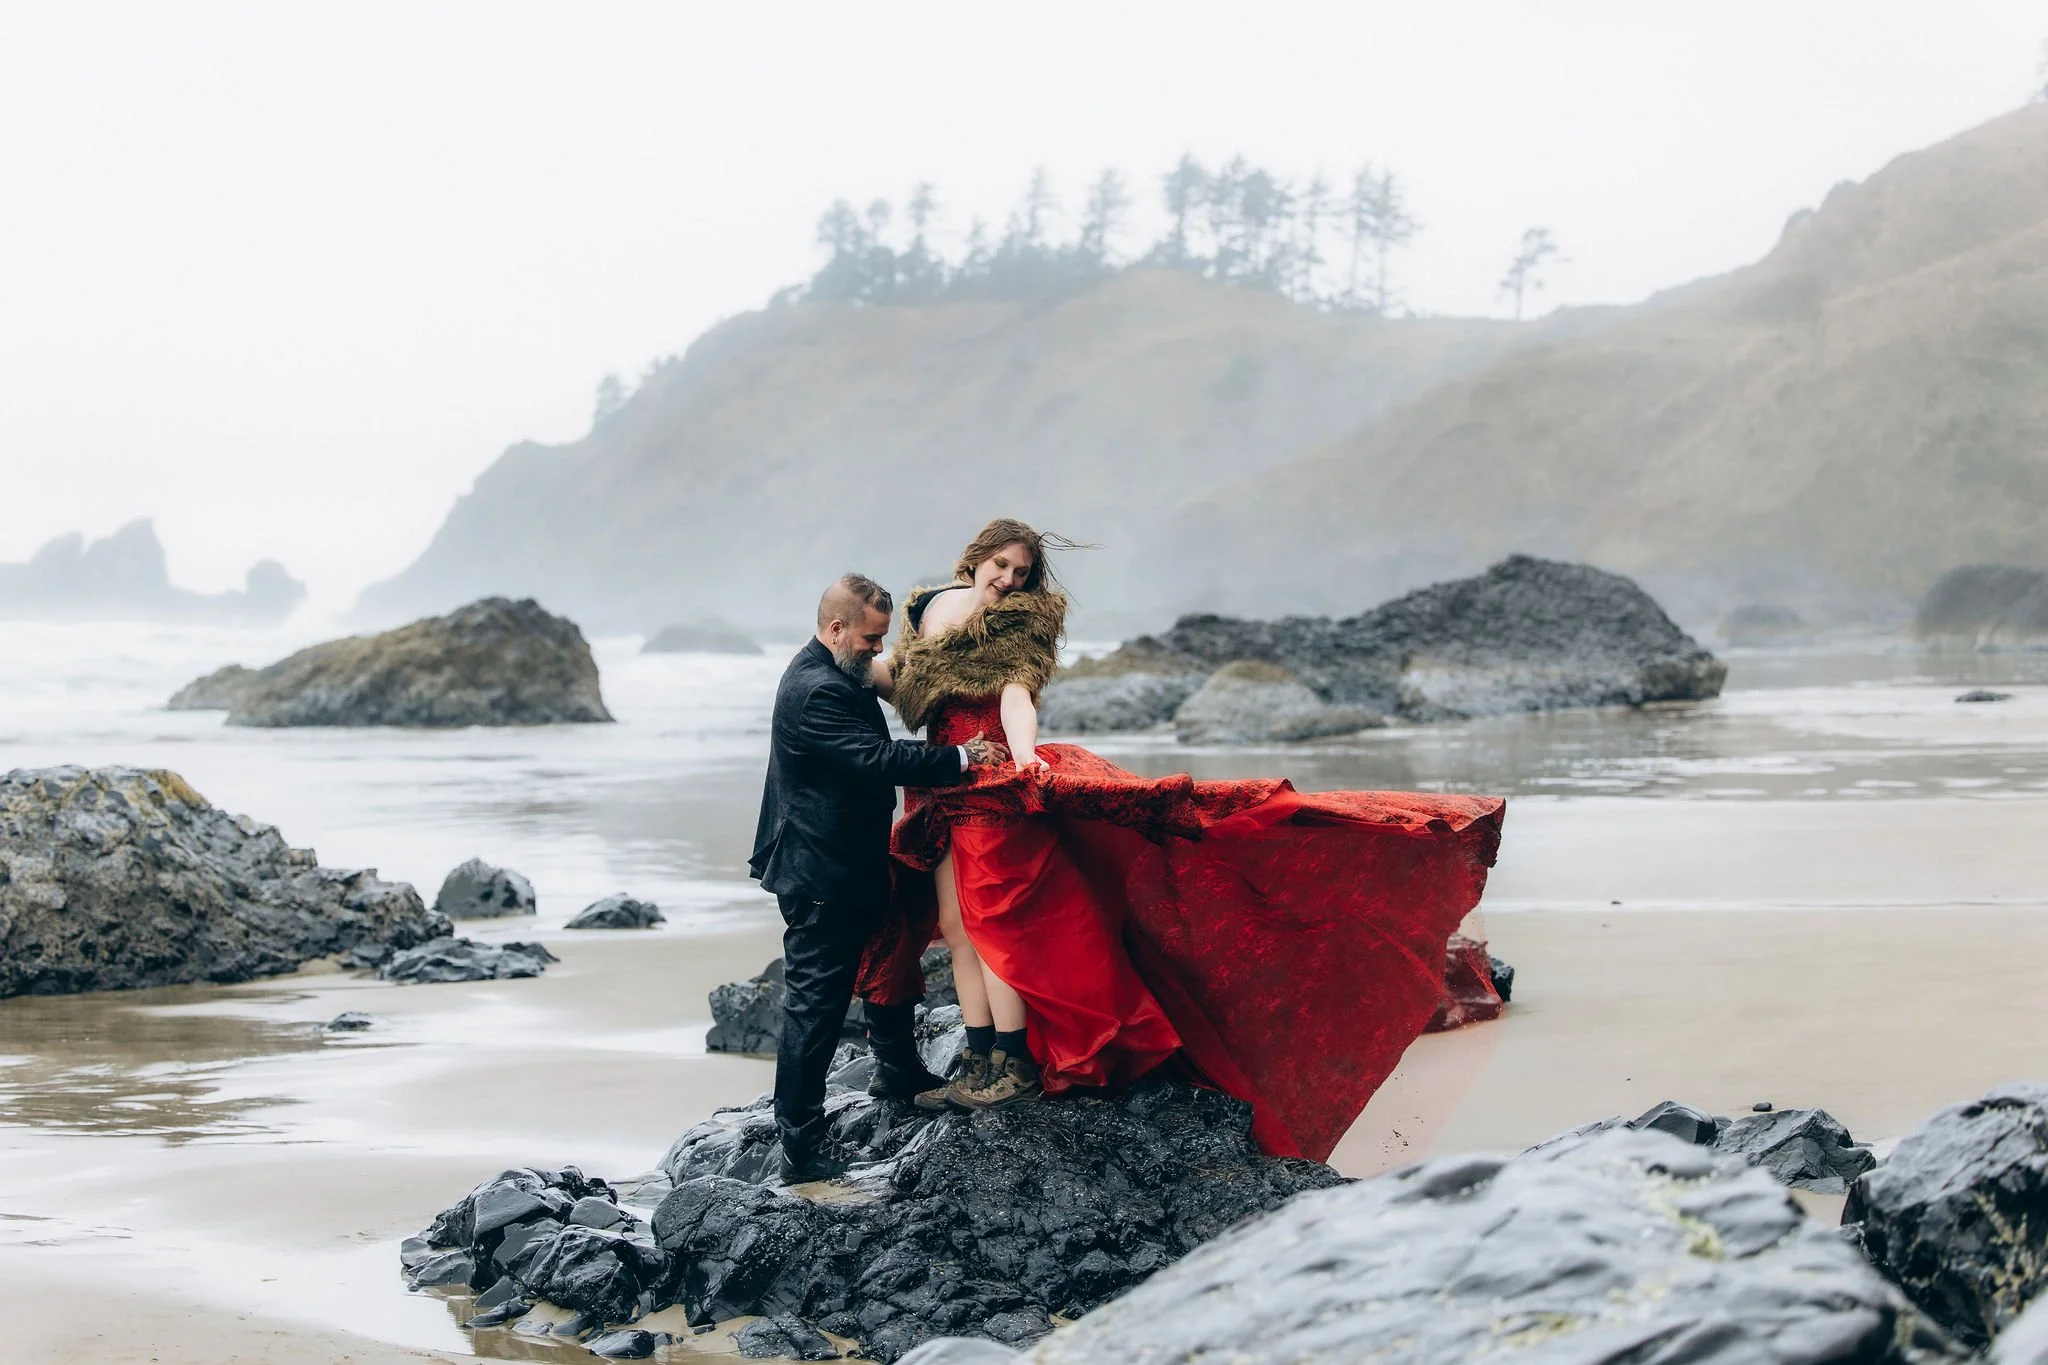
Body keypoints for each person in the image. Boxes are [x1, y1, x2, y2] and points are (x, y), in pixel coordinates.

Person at [857, 520, 1507, 1161]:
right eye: (1001, 565)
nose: (1008, 579)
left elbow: (1018, 699)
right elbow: (904, 680)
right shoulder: (929, 605)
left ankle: (1011, 1065)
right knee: (956, 924)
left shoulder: (1021, 623)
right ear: (976, 558)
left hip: (993, 778)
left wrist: (1025, 755)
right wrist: (842, 666)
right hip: (936, 780)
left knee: (996, 926)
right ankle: (976, 1062)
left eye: (1021, 573)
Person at [750, 573, 1002, 1183]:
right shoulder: (815, 690)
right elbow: (875, 759)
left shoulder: (839, 669)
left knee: (890, 955)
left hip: (850, 860)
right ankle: (801, 1146)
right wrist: (962, 757)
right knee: (817, 1007)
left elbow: (887, 712)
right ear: (836, 628)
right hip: (818, 873)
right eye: (870, 639)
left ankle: (897, 1071)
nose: (877, 651)